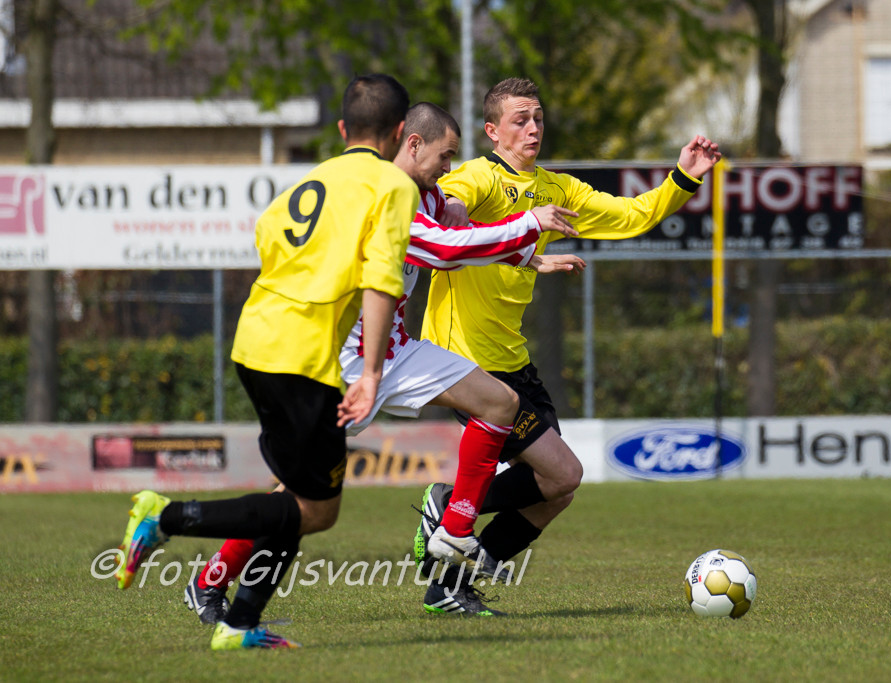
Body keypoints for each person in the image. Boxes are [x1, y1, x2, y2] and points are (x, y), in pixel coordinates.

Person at [182, 102, 586, 621]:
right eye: (444, 156)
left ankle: (455, 528)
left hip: (397, 349)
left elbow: (458, 240)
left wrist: (527, 256)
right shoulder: (387, 194)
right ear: (411, 144)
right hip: (349, 366)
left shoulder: (428, 193)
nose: (448, 168)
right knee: (299, 498)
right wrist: (528, 225)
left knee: (499, 402)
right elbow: (443, 250)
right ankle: (209, 581)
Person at [111, 73, 420, 650]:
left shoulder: (310, 181)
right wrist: (372, 372)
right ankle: (166, 518)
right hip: (300, 355)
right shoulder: (392, 185)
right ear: (401, 132)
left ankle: (239, 625)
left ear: (342, 129)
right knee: (317, 511)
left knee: (297, 502)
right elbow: (383, 282)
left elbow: (267, 237)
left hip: (255, 340)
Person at [416, 77, 722, 613]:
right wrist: (461, 210)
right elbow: (451, 203)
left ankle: (449, 586)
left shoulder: (557, 189)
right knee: (564, 473)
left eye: (538, 118)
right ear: (492, 131)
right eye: (519, 120)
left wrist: (683, 178)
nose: (533, 128)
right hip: (467, 360)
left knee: (557, 490)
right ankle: (447, 507)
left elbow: (631, 216)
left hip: (512, 358)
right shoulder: (479, 176)